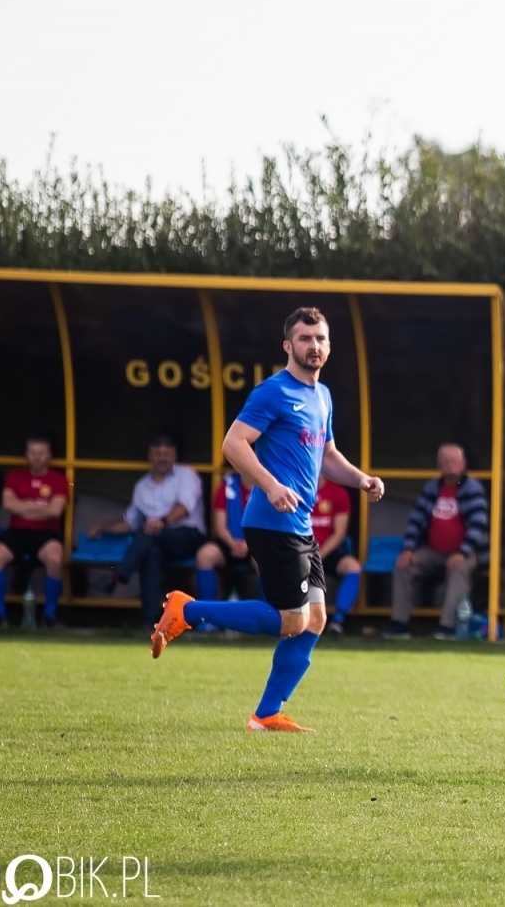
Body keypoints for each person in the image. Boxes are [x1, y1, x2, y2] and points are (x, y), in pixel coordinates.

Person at [147, 307, 384, 733]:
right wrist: (270, 486)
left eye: (320, 339)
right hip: (271, 522)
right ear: (288, 345)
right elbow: (233, 444)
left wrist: (361, 479)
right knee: (292, 620)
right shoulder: (273, 392)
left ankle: (266, 715)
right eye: (305, 338)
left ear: (329, 346)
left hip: (300, 525)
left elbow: (328, 455)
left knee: (315, 619)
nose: (314, 346)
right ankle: (188, 609)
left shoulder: (323, 396)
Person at [87, 436, 205, 629]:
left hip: (188, 536)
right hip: (156, 540)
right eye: (158, 454)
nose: (162, 458)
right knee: (150, 552)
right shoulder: (142, 486)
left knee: (149, 534)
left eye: (167, 454)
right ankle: (150, 620)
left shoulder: (187, 475)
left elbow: (184, 507)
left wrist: (162, 522)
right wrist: (103, 527)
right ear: (150, 456)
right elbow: (130, 522)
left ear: (174, 455)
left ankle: (116, 577)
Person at [387, 443, 487, 640]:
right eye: (445, 461)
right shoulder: (432, 488)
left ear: (463, 464)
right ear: (438, 465)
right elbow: (416, 521)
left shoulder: (472, 488)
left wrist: (462, 552)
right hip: (433, 551)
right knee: (403, 566)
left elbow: (479, 524)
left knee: (459, 569)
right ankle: (399, 624)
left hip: (465, 551)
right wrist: (408, 549)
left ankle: (447, 627)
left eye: (454, 461)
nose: (449, 465)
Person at [0, 434, 69, 628]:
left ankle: (49, 616)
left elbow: (55, 511)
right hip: (17, 530)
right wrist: (40, 508)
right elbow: (8, 504)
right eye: (33, 453)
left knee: (55, 559)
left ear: (49, 455)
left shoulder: (59, 479)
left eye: (41, 453)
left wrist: (23, 507)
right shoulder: (14, 476)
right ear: (26, 454)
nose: (37, 457)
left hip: (46, 532)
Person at [190, 471, 262, 631]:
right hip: (229, 541)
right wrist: (233, 544)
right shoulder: (227, 486)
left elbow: (269, 524)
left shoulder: (267, 487)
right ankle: (208, 617)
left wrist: (249, 545)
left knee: (266, 561)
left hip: (257, 542)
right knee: (205, 555)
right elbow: (219, 526)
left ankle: (268, 616)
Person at [311, 477, 358, 636]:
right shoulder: (294, 488)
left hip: (325, 551)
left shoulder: (338, 493)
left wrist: (317, 556)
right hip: (298, 551)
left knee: (353, 567)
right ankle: (277, 617)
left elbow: (339, 533)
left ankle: (338, 620)